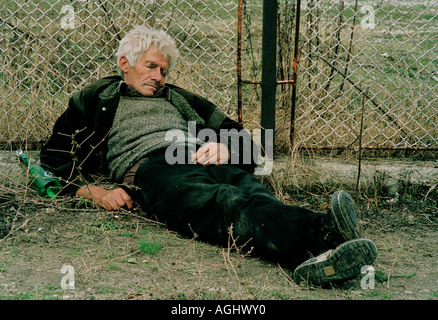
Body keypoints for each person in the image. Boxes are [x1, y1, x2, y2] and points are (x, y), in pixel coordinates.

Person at [40, 25, 377, 286]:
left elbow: (245, 142)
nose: (158, 77)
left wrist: (226, 147)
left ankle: (319, 253)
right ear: (125, 63)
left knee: (251, 191)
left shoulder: (181, 99)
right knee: (224, 201)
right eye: (151, 66)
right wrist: (95, 192)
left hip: (203, 158)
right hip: (154, 168)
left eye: (164, 71)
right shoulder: (96, 97)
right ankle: (322, 236)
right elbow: (53, 157)